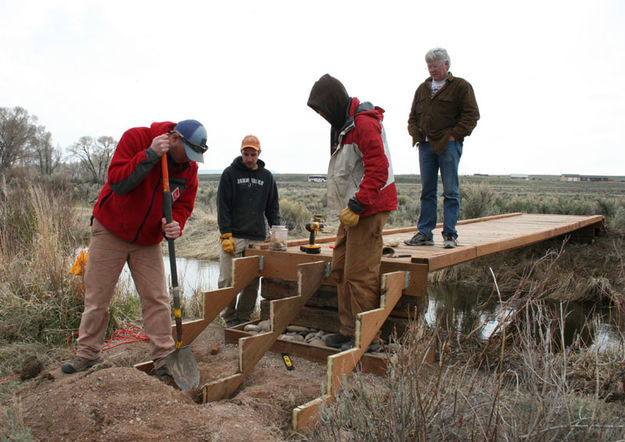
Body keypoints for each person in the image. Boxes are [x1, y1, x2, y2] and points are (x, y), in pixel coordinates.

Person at [62, 119, 208, 374]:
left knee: (157, 299)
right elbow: (118, 181)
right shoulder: (137, 139)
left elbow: (184, 204)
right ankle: (87, 353)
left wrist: (176, 223)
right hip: (111, 229)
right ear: (175, 139)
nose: (190, 161)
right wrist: (150, 155)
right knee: (98, 296)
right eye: (189, 153)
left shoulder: (189, 169)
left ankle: (163, 357)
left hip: (148, 240)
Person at [307, 74, 397, 349]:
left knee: (360, 274)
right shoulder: (341, 125)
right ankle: (348, 331)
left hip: (368, 209)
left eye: (321, 109)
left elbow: (378, 169)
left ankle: (367, 338)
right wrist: (352, 206)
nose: (321, 115)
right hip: (354, 208)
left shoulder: (364, 123)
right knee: (341, 268)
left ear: (332, 102)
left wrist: (358, 204)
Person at [405, 47, 480, 249]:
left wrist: (454, 135)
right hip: (426, 146)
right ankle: (424, 233)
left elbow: (472, 115)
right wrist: (416, 134)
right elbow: (412, 117)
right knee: (427, 191)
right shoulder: (422, 88)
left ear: (446, 64)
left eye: (435, 66)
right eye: (429, 67)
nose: (432, 70)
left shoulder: (461, 87)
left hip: (448, 145)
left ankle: (449, 235)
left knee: (450, 191)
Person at [217, 134, 281, 327]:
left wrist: (276, 231)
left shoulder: (266, 177)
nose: (250, 158)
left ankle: (243, 318)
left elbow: (272, 207)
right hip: (234, 236)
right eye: (246, 153)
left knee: (251, 281)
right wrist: (225, 234)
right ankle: (228, 318)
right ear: (241, 153)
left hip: (257, 238)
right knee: (227, 280)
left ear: (259, 153)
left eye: (253, 154)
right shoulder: (230, 174)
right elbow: (223, 206)